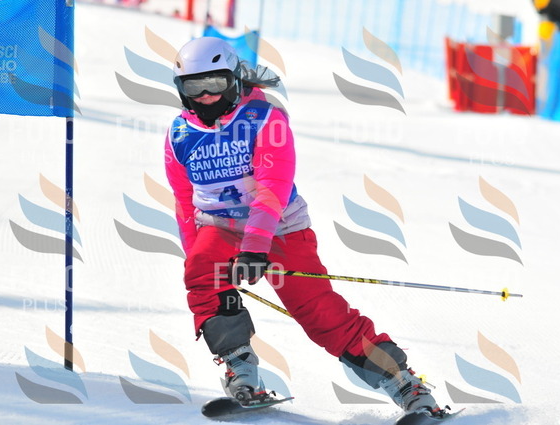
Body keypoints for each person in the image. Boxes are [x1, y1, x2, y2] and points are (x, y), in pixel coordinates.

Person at [164, 36, 445, 418]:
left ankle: (405, 384)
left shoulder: (264, 119)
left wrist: (255, 247)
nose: (205, 95)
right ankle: (241, 371)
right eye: (194, 87)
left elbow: (272, 187)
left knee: (320, 315)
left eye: (215, 83)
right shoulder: (179, 133)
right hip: (220, 226)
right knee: (200, 273)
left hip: (280, 229)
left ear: (234, 80)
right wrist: (198, 254)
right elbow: (184, 200)